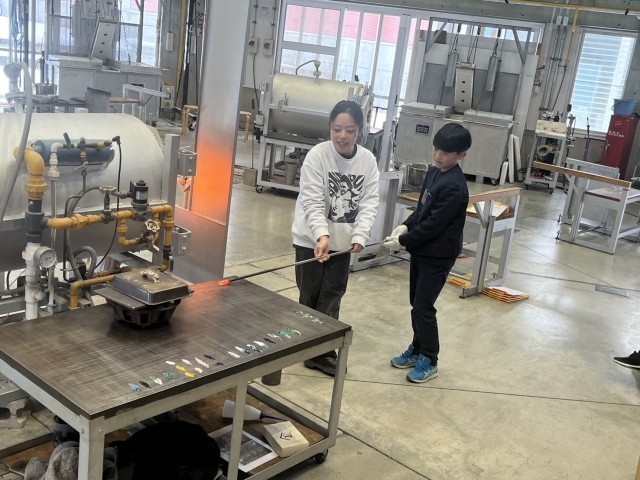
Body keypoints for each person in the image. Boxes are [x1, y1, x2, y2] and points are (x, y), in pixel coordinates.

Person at [292, 100, 380, 376]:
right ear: (330, 128)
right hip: (311, 240)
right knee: (310, 294)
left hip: (342, 243)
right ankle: (307, 348)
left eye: (350, 130)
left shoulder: (367, 160)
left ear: (359, 131)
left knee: (332, 294)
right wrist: (321, 235)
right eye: (337, 129)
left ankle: (323, 351)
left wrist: (361, 234)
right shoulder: (317, 156)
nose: (342, 136)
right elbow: (312, 201)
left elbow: (369, 202)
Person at [383, 122, 471, 383]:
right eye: (435, 149)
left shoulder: (454, 186)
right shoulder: (434, 172)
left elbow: (434, 225)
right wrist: (405, 225)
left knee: (424, 307)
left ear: (461, 155)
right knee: (416, 302)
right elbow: (422, 211)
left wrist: (404, 241)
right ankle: (417, 348)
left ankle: (430, 359)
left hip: (438, 255)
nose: (437, 156)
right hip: (422, 250)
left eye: (445, 153)